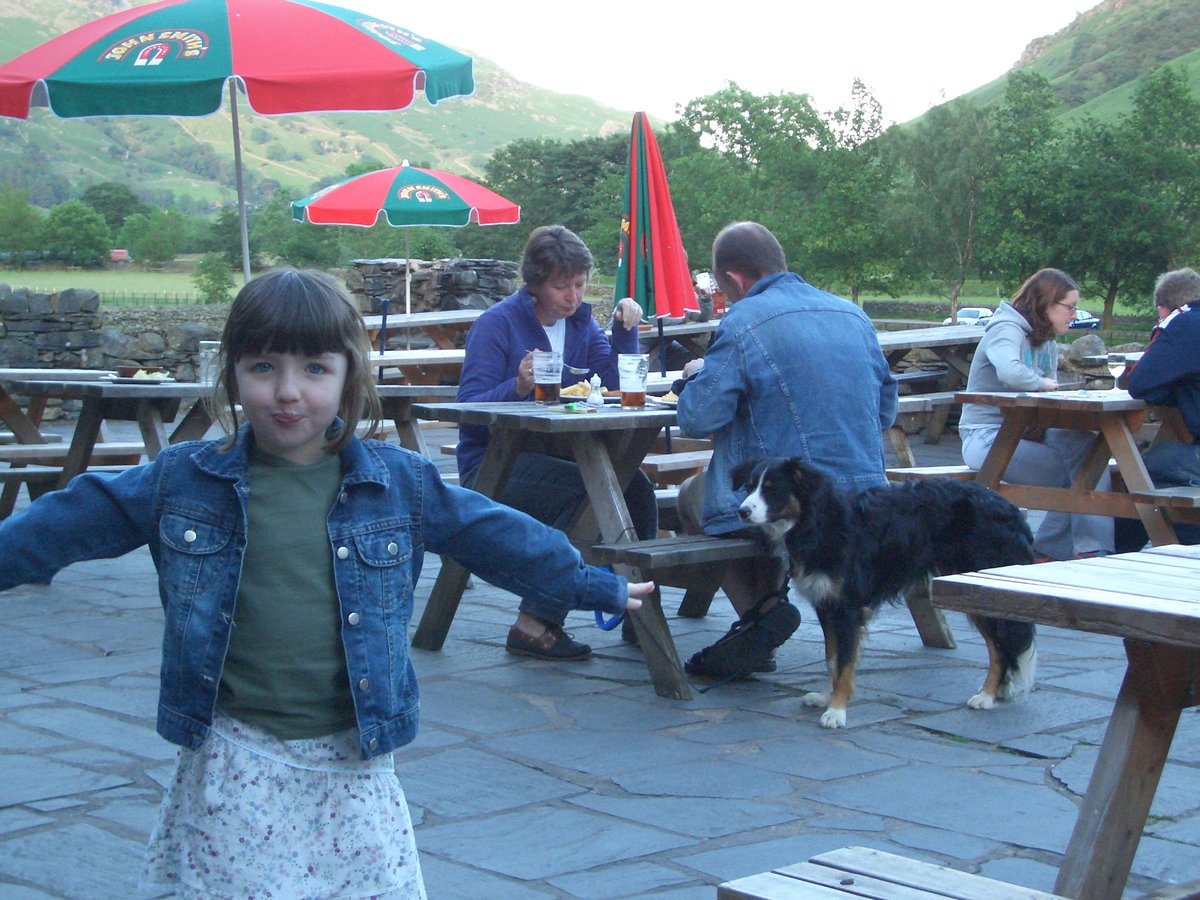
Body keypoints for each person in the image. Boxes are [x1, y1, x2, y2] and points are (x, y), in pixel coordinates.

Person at [0, 268, 651, 898]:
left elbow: (496, 535)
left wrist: (590, 585)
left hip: (351, 764)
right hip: (234, 758)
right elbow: (68, 520)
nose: (288, 392)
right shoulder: (183, 481)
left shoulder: (398, 484)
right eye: (264, 367)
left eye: (314, 369)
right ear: (232, 374)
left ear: (348, 377)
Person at [675, 221, 899, 678]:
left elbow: (698, 418)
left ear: (734, 279)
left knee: (696, 497)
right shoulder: (853, 316)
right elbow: (886, 411)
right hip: (866, 498)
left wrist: (696, 377)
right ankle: (763, 616)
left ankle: (759, 617)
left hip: (796, 503)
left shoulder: (743, 320)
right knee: (762, 504)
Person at [455, 224, 658, 660]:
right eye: (561, 286)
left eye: (580, 285)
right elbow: (468, 409)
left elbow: (611, 382)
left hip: (557, 456)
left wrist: (624, 329)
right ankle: (534, 623)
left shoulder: (581, 322)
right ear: (535, 283)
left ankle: (641, 615)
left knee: (635, 487)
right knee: (594, 494)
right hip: (492, 466)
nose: (573, 296)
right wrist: (517, 387)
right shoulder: (497, 325)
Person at [959, 267, 1115, 561]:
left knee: (1089, 450)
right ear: (1046, 304)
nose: (1074, 315)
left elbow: (1048, 398)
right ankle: (1066, 552)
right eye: (1070, 307)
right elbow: (1010, 371)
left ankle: (1083, 550)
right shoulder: (1006, 329)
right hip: (987, 438)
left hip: (1030, 433)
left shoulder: (1047, 340)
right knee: (1081, 473)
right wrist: (1042, 383)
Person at [1123, 267, 1200, 544]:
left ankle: (1117, 554)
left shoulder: (1184, 323)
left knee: (1137, 472)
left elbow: (1140, 384)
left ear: (1163, 310)